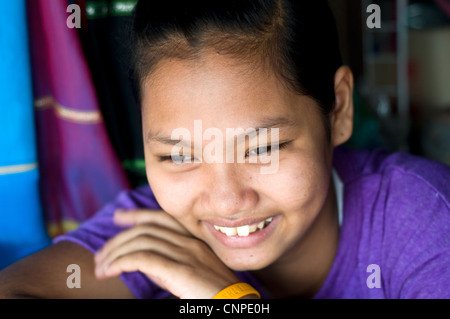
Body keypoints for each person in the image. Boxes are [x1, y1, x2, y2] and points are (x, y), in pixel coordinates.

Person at [1, 0, 449, 299]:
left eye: (263, 149)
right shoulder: (156, 231)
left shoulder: (422, 219)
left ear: (339, 110)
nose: (226, 201)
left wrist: (228, 301)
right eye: (179, 155)